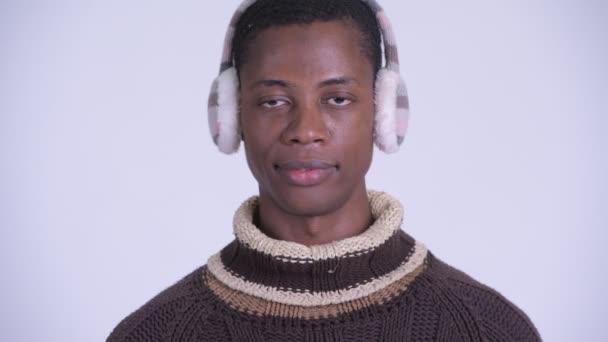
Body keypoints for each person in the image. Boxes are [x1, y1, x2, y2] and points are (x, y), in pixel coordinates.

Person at [107, 0, 542, 341]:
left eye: (337, 99)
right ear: (232, 115)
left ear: (384, 111)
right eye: (274, 101)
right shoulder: (154, 333)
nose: (306, 131)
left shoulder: (486, 329)